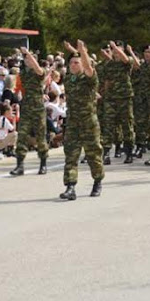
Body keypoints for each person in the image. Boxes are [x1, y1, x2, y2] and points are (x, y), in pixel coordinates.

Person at [60, 40, 104, 200]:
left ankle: (97, 181)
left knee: (93, 154)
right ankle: (70, 187)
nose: (73, 65)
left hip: (89, 123)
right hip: (73, 123)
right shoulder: (68, 80)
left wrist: (82, 51)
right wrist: (74, 51)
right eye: (71, 62)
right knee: (71, 154)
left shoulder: (89, 79)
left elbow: (89, 67)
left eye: (76, 63)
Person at [10, 47, 48, 176]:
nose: (27, 60)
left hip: (38, 108)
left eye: (29, 59)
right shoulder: (22, 74)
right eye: (25, 59)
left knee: (40, 137)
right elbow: (18, 89)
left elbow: (38, 68)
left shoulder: (40, 71)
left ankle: (43, 163)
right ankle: (19, 165)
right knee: (22, 136)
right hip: (26, 107)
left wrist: (27, 53)